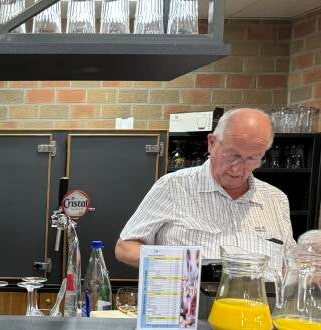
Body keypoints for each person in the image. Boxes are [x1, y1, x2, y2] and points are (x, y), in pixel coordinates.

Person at [115, 108, 295, 274]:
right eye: (232, 155)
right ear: (212, 143)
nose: (237, 168)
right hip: (191, 298)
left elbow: (290, 263)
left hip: (261, 300)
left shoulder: (276, 199)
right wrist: (182, 267)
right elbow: (125, 248)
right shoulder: (172, 186)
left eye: (251, 159)